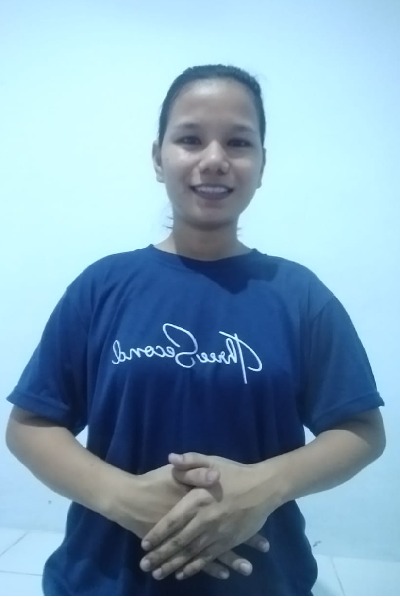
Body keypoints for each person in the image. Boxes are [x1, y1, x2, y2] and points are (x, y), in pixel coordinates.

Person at [5, 64, 385, 596]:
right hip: (104, 578)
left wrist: (262, 487)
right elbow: (30, 425)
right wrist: (124, 497)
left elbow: (362, 431)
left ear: (262, 164)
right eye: (189, 138)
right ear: (158, 156)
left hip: (262, 581)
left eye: (238, 142)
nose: (214, 159)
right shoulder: (102, 286)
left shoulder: (300, 295)